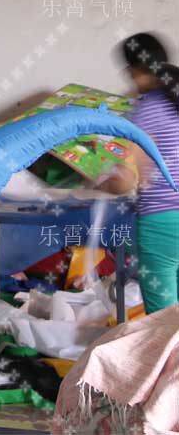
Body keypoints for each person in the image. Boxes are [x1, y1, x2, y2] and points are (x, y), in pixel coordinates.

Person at [99, 32, 179, 313]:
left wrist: (98, 180)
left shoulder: (145, 112)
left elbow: (126, 181)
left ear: (133, 71)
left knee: (163, 321)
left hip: (163, 223)